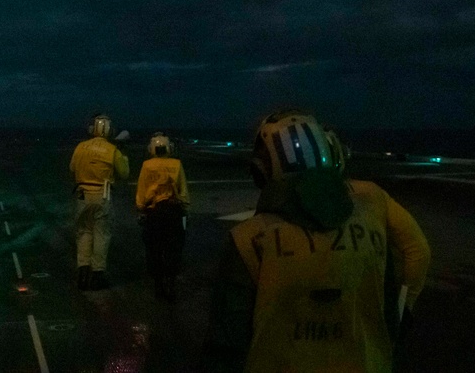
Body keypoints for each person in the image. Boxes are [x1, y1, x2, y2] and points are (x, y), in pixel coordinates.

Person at [206, 109, 431, 373]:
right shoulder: (373, 218)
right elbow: (394, 308)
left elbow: (227, 346)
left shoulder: (247, 241)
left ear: (262, 171)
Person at [69, 113, 129, 290]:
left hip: (82, 195)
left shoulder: (80, 147)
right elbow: (124, 174)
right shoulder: (112, 150)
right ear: (109, 130)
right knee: (102, 235)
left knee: (84, 233)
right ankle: (97, 275)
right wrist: (123, 155)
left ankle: (82, 273)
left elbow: (72, 168)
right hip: (102, 195)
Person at [135, 132, 189, 301]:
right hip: (173, 211)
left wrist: (142, 209)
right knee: (174, 249)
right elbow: (183, 191)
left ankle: (158, 287)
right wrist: (185, 210)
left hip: (154, 212)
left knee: (154, 250)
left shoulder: (147, 165)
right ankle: (171, 286)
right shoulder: (177, 164)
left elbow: (141, 193)